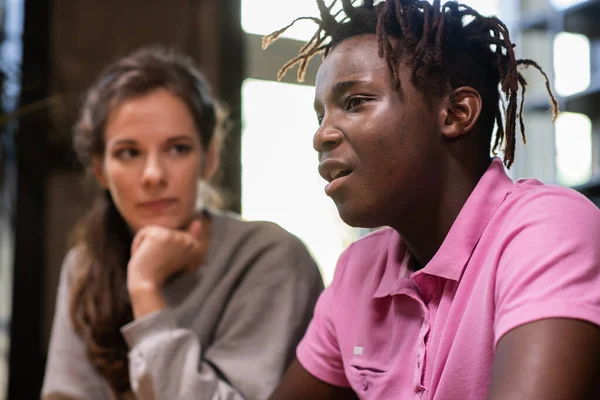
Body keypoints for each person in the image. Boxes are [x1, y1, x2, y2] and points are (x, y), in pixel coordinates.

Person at [262, 1, 600, 399]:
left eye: (355, 102)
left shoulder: (547, 229)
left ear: (456, 112)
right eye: (320, 115)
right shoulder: (358, 271)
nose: (321, 136)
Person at [41, 47, 324, 400]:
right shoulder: (85, 264)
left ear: (209, 158)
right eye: (128, 153)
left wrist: (145, 288)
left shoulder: (271, 258)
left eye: (177, 148)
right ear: (100, 170)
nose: (153, 175)